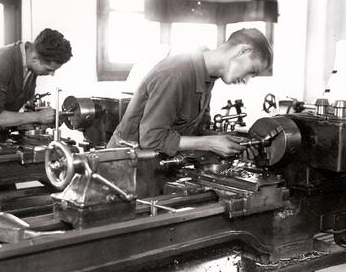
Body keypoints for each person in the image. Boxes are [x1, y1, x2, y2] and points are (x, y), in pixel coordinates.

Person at [107, 28, 273, 196]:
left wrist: (234, 143)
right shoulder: (175, 74)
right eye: (252, 71)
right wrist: (210, 143)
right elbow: (152, 138)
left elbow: (195, 130)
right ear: (243, 51)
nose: (246, 81)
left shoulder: (207, 76)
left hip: (156, 167)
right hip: (127, 171)